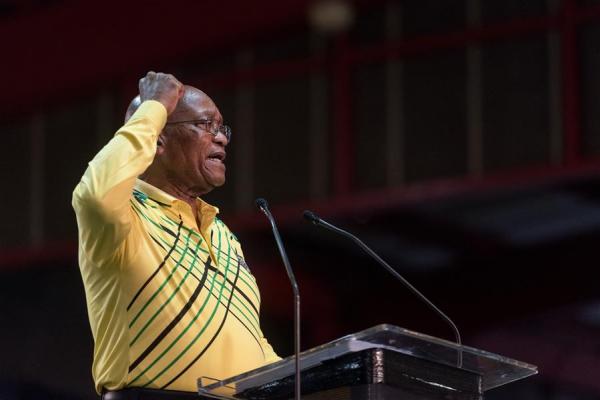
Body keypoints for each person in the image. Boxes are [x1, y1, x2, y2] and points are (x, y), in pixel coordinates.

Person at [72, 72, 280, 398]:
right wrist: (155, 106)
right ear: (158, 139)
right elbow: (95, 195)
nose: (222, 139)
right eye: (205, 125)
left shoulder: (221, 233)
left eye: (221, 128)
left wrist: (303, 377)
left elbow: (249, 337)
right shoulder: (126, 217)